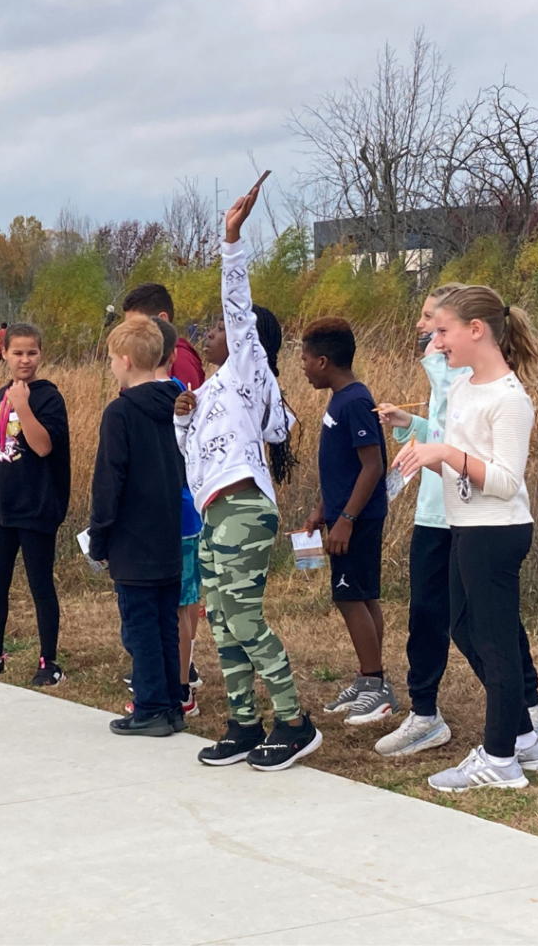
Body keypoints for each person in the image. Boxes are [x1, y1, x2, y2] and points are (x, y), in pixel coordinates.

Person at [176, 184, 320, 770]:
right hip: (214, 511)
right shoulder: (209, 391)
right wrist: (180, 420)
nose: (209, 332)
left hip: (242, 510)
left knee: (243, 617)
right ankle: (243, 721)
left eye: (218, 329)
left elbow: (238, 307)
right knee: (222, 623)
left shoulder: (245, 369)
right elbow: (194, 461)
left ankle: (294, 721)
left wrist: (230, 241)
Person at [395, 285, 538, 792]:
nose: (436, 341)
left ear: (476, 330)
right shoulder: (464, 388)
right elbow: (452, 453)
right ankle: (526, 737)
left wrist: (443, 454)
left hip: (498, 532)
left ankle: (501, 759)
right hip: (466, 527)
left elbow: (507, 480)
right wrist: (423, 448)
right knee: (464, 630)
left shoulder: (511, 400)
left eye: (443, 331)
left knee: (496, 643)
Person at [372, 283, 470, 756]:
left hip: (461, 514)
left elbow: (461, 441)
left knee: (469, 620)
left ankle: (527, 708)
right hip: (435, 509)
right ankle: (425, 712)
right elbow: (443, 432)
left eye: (430, 318)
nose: (420, 325)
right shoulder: (445, 372)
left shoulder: (459, 371)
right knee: (429, 615)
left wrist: (435, 358)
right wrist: (409, 426)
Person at [0, 323, 71, 687]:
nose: (24, 360)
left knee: (40, 584)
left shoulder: (48, 398)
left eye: (31, 353)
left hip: (36, 504)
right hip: (3, 504)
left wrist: (23, 405)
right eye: (17, 353)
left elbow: (42, 446)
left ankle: (49, 661)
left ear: (41, 355)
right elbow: (11, 443)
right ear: (3, 354)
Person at [90, 314, 184, 736]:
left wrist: (99, 535)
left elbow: (109, 479)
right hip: (169, 530)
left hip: (132, 536)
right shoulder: (180, 404)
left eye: (111, 358)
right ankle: (172, 705)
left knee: (139, 624)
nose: (111, 365)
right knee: (165, 621)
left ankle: (149, 707)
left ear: (125, 361)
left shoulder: (121, 412)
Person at [302, 317, 397, 725]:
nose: (302, 366)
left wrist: (345, 520)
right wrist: (324, 507)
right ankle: (367, 676)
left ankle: (376, 688)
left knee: (349, 597)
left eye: (305, 359)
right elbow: (342, 466)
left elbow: (372, 465)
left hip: (357, 521)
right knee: (362, 594)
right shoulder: (339, 399)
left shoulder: (355, 401)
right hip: (342, 514)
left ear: (324, 361)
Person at [151, 316, 203, 721]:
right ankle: (181, 678)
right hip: (186, 515)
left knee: (179, 608)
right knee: (183, 606)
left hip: (179, 517)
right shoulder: (182, 395)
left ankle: (182, 686)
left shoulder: (172, 399)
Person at [122, 283, 205, 390]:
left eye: (135, 324)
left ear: (162, 319)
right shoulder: (139, 355)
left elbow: (186, 404)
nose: (128, 332)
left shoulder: (181, 360)